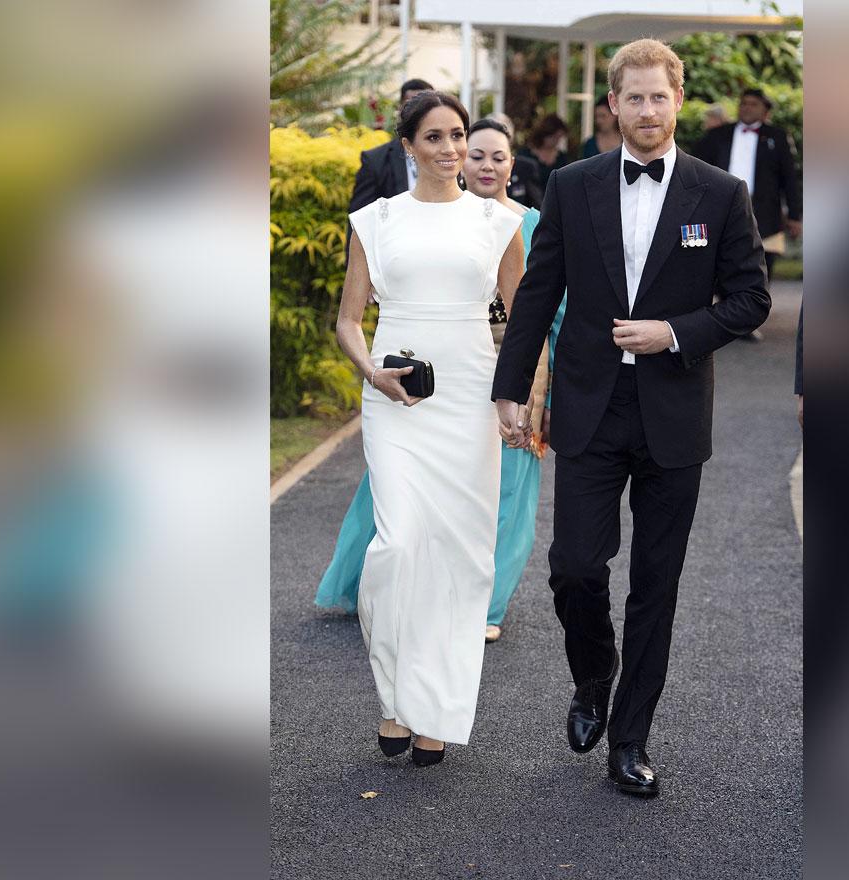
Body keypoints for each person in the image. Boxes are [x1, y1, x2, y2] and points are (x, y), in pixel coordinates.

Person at [491, 39, 771, 797]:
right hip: (589, 406)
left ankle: (631, 738)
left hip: (675, 412)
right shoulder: (575, 185)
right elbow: (538, 293)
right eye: (634, 97)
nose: (647, 111)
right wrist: (509, 389)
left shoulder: (721, 195)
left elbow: (751, 299)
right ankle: (592, 677)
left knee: (657, 580)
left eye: (660, 96)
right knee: (576, 567)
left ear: (678, 100)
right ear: (612, 104)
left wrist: (675, 333)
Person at [315, 117, 567, 644]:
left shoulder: (525, 225)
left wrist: (534, 393)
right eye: (475, 152)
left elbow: (541, 316)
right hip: (414, 381)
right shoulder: (393, 221)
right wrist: (374, 368)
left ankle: (481, 606)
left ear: (512, 165)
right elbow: (352, 315)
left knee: (502, 497)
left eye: (497, 156)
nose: (482, 163)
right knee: (398, 508)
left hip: (499, 374)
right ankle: (395, 595)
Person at [337, 91, 526, 767]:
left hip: (470, 399)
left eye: (460, 136)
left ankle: (433, 712)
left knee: (457, 556)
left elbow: (520, 319)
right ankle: (394, 697)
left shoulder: (498, 223)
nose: (452, 150)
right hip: (396, 399)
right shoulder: (377, 220)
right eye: (437, 138)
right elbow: (349, 319)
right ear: (408, 146)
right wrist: (370, 372)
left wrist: (519, 399)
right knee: (397, 547)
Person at [693, 88, 802, 281]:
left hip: (765, 209)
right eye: (743, 103)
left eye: (753, 104)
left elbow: (789, 177)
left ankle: (758, 303)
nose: (747, 108)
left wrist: (794, 215)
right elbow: (696, 167)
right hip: (722, 205)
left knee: (764, 261)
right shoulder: (719, 135)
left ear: (765, 111)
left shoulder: (777, 137)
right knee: (722, 256)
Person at [346, 78, 435, 214]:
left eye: (427, 107)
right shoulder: (375, 161)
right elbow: (359, 220)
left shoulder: (451, 157)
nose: (419, 113)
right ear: (400, 109)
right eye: (411, 105)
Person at [485, 112, 545, 209]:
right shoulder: (473, 167)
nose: (488, 167)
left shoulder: (525, 168)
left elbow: (537, 206)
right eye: (477, 157)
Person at [518, 113, 570, 191]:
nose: (556, 141)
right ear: (545, 134)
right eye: (554, 137)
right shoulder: (525, 155)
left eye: (559, 138)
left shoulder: (561, 157)